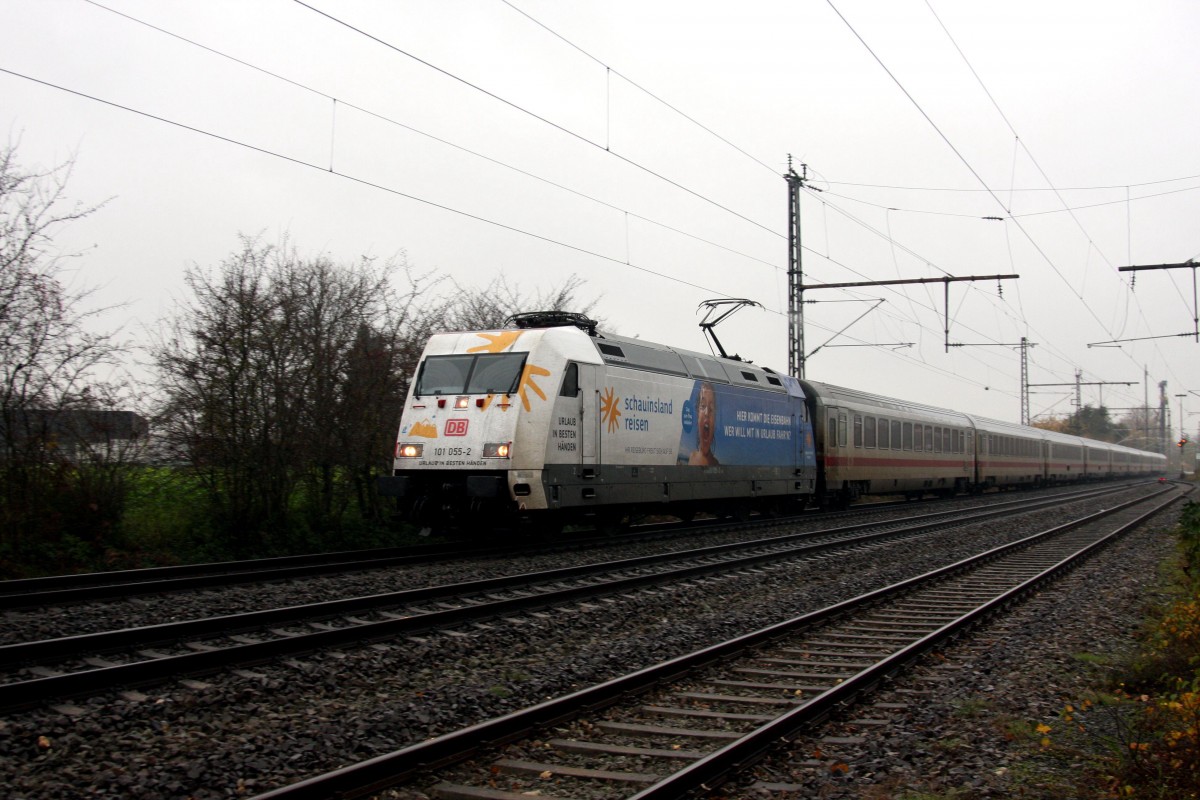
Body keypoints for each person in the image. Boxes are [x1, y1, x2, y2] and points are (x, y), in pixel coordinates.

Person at [688, 381, 719, 465]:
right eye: (703, 405)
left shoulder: (716, 464)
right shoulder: (692, 457)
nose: (706, 412)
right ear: (698, 414)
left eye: (711, 408)